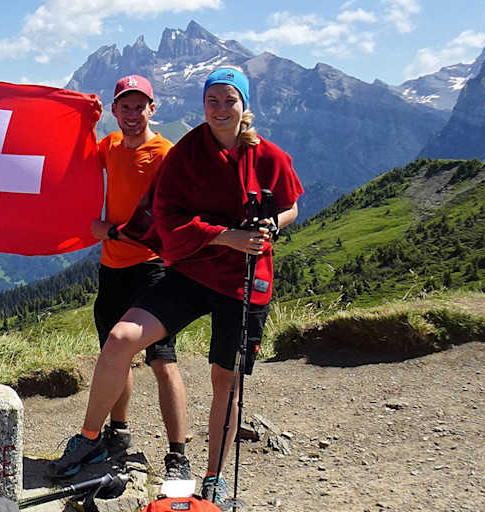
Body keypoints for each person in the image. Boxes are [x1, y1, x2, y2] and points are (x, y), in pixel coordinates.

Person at [48, 67, 303, 509]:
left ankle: (214, 476)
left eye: (229, 101)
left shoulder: (269, 157)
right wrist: (228, 236)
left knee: (226, 379)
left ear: (244, 106)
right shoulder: (188, 152)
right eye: (213, 102)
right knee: (120, 338)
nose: (221, 110)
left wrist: (271, 225)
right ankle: (90, 437)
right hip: (191, 271)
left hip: (243, 282)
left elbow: (291, 205)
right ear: (203, 106)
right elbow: (168, 218)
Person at [71, 75, 190, 481]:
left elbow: (169, 214)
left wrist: (114, 231)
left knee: (162, 360)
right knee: (112, 355)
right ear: (114, 111)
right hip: (113, 268)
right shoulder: (110, 147)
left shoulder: (166, 153)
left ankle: (178, 453)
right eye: (125, 107)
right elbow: (74, 162)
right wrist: (79, 117)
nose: (133, 114)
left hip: (153, 268)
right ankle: (117, 434)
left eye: (140, 107)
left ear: (152, 109)